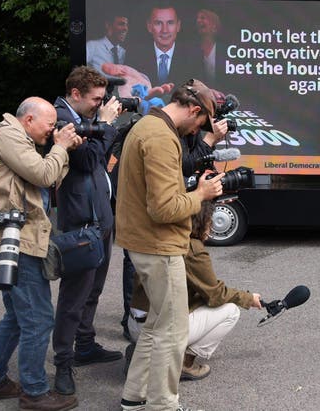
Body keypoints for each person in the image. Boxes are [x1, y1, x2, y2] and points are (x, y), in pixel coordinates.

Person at [116, 79, 225, 411]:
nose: (197, 131)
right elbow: (163, 209)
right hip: (158, 246)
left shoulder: (147, 125)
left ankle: (133, 398)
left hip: (144, 243)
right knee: (174, 332)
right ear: (194, 110)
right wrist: (201, 195)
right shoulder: (162, 137)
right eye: (200, 123)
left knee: (155, 325)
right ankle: (163, 404)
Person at [0, 97, 82, 410]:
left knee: (18, 317)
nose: (53, 131)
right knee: (37, 318)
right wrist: (61, 147)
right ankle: (34, 392)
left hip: (18, 240)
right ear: (29, 120)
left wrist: (64, 151)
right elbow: (44, 175)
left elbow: (48, 181)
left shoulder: (20, 140)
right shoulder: (8, 135)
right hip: (12, 242)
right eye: (49, 125)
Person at [125, 200, 262, 380]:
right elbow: (215, 294)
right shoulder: (191, 248)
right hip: (157, 331)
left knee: (197, 302)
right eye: (209, 220)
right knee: (231, 311)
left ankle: (143, 356)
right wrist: (248, 298)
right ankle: (184, 364)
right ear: (200, 221)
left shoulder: (159, 237)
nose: (211, 226)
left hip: (135, 324)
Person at [51, 66, 123, 396]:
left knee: (92, 291)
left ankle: (85, 345)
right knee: (73, 298)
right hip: (80, 223)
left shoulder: (83, 117)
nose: (100, 104)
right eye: (95, 99)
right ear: (76, 94)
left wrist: (105, 129)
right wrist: (106, 124)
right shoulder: (60, 120)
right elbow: (87, 160)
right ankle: (63, 365)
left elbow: (100, 155)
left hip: (99, 219)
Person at [125, 5, 203, 89]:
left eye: (170, 23)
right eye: (158, 23)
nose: (164, 30)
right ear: (149, 26)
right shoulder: (135, 55)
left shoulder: (194, 57)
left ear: (178, 26)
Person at [194, 9, 226, 88]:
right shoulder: (192, 51)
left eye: (203, 18)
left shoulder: (225, 51)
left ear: (214, 26)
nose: (198, 20)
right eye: (197, 18)